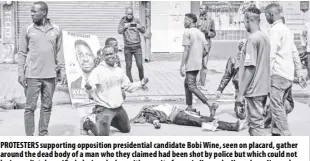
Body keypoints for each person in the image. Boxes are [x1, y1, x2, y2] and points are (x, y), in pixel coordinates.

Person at [18, 1, 66, 136]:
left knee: (47, 107)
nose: (31, 14)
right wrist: (20, 72)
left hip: (50, 76)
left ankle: (43, 134)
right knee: (29, 108)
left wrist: (63, 70)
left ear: (44, 12)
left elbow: (59, 51)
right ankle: (30, 137)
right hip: (32, 75)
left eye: (34, 11)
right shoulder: (27, 29)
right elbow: (22, 53)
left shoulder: (56, 29)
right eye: (31, 11)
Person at [84, 46, 149, 136]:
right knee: (103, 135)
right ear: (103, 57)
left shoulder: (119, 71)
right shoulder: (97, 71)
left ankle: (107, 122)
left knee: (126, 129)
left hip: (118, 108)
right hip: (105, 108)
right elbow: (91, 87)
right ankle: (88, 123)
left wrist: (141, 83)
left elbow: (128, 86)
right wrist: (88, 88)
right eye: (107, 54)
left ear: (115, 54)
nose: (110, 56)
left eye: (111, 53)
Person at [264, 3, 307, 136]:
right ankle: (276, 134)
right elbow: (294, 53)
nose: (265, 18)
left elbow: (271, 55)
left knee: (277, 108)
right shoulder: (287, 30)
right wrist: (299, 74)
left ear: (271, 14)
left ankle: (286, 136)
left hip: (277, 75)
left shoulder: (275, 30)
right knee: (282, 105)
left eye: (266, 15)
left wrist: (266, 75)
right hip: (287, 76)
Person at [236, 6, 271, 136]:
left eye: (243, 21)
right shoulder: (264, 37)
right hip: (262, 88)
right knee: (253, 126)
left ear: (246, 20)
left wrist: (240, 92)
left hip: (253, 90)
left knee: (256, 127)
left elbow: (250, 68)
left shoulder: (252, 39)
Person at [180, 13, 218, 118]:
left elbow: (186, 50)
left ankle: (210, 105)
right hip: (197, 64)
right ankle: (189, 106)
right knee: (187, 84)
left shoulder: (187, 32)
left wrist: (182, 65)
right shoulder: (200, 33)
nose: (184, 22)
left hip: (190, 64)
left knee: (191, 85)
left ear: (190, 22)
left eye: (185, 20)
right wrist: (199, 57)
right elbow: (206, 49)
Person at [130, 104, 246, 132]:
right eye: (145, 108)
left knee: (205, 119)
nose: (147, 106)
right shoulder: (149, 113)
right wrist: (156, 123)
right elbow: (154, 120)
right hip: (178, 117)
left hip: (182, 113)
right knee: (203, 121)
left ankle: (231, 125)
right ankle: (233, 126)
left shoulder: (157, 106)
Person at [216, 39, 247, 120]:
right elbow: (227, 75)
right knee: (241, 115)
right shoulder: (233, 59)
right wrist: (220, 89)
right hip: (239, 89)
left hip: (251, 89)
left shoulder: (252, 59)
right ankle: (239, 105)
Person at [118, 7, 146, 86]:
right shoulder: (122, 21)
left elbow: (143, 31)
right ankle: (130, 83)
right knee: (128, 66)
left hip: (137, 47)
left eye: (131, 14)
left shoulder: (136, 20)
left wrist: (140, 27)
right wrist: (125, 27)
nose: (130, 15)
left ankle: (142, 83)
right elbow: (119, 31)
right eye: (128, 14)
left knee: (140, 65)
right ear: (125, 14)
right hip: (128, 47)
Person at [196, 4, 216, 91]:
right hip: (197, 44)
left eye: (202, 8)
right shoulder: (196, 19)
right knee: (196, 63)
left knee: (204, 65)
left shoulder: (210, 20)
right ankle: (194, 83)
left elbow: (213, 33)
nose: (200, 9)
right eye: (199, 8)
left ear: (206, 10)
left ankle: (202, 84)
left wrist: (207, 32)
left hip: (206, 45)